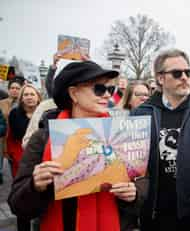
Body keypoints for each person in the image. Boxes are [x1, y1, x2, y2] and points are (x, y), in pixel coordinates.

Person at [8, 61, 141, 231]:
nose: (108, 95)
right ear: (74, 94)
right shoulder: (43, 138)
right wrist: (35, 186)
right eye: (99, 89)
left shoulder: (120, 134)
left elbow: (142, 186)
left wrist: (133, 194)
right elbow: (17, 205)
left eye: (111, 89)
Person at [130, 49, 190, 230]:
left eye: (188, 73)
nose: (185, 78)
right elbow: (129, 166)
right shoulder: (140, 115)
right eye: (177, 73)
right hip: (155, 213)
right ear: (160, 78)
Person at [7, 84, 42, 177]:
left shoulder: (45, 114)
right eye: (26, 95)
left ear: (38, 97)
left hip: (40, 156)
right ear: (21, 98)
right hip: (20, 156)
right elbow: (11, 137)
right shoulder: (14, 114)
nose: (29, 97)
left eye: (32, 94)